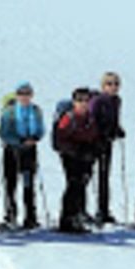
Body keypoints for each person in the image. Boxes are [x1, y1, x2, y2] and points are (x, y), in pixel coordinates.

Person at [54, 86, 101, 233]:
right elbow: (60, 139)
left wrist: (94, 149)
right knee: (73, 185)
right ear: (74, 102)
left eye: (86, 100)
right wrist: (76, 150)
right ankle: (67, 219)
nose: (83, 103)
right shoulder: (69, 118)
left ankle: (77, 216)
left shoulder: (90, 118)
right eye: (79, 100)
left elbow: (94, 136)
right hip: (71, 157)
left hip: (86, 157)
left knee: (81, 185)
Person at [0, 82, 45, 229]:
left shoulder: (36, 111)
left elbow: (41, 128)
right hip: (12, 151)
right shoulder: (10, 111)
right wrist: (19, 141)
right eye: (21, 93)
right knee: (10, 184)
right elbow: (4, 132)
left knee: (28, 184)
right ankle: (10, 215)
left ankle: (30, 217)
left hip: (29, 152)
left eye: (27, 93)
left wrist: (35, 138)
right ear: (16, 95)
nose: (24, 97)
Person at [90, 71, 126, 224]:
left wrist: (117, 130)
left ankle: (103, 210)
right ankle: (80, 210)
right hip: (93, 143)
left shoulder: (116, 101)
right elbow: (91, 120)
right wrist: (101, 134)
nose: (113, 86)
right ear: (103, 85)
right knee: (86, 177)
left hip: (107, 143)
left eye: (116, 83)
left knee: (104, 177)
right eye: (109, 83)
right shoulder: (97, 101)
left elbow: (114, 120)